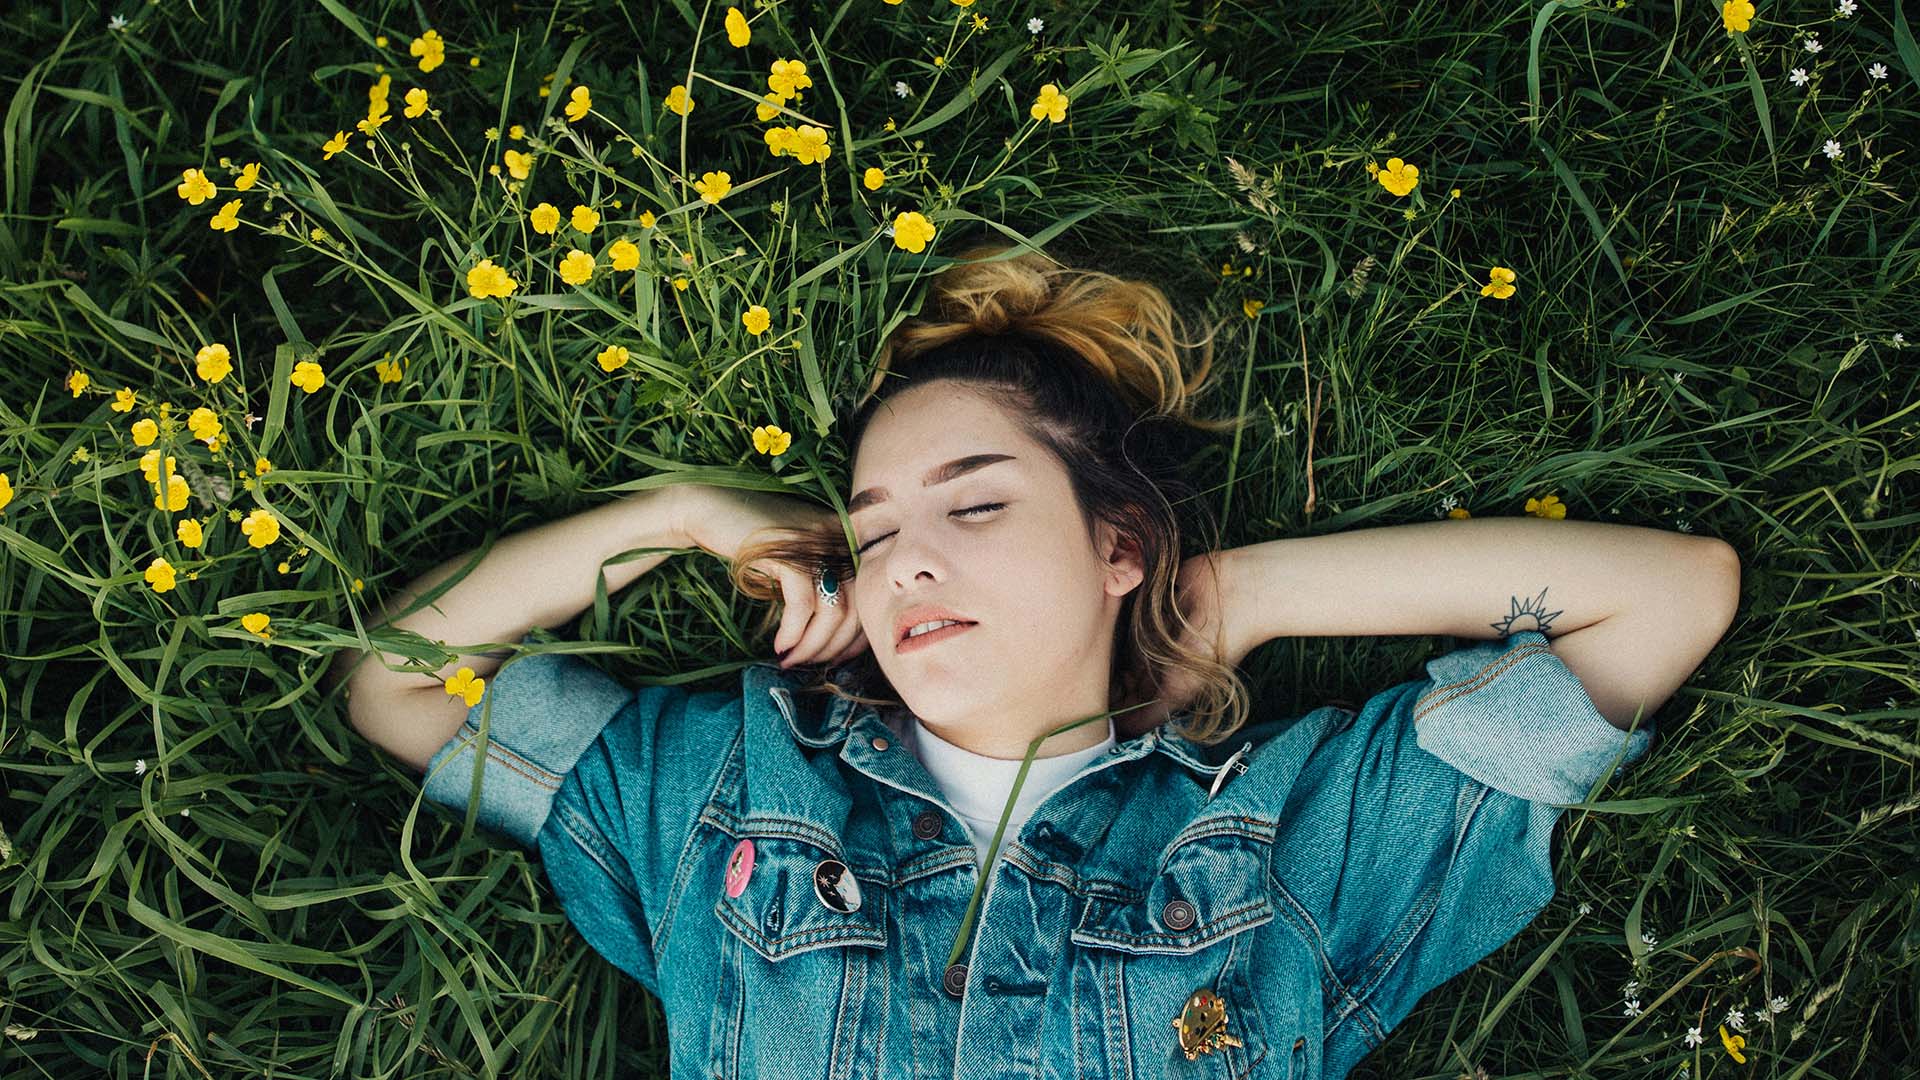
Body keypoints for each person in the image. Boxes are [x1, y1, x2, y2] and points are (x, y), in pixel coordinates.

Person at [332, 240, 1724, 1078]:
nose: (909, 562)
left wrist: (1231, 596)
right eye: (871, 534)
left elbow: (1666, 599)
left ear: (1119, 544)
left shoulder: (1283, 847)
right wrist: (678, 516)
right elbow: (397, 681)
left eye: (978, 502)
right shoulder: (721, 789)